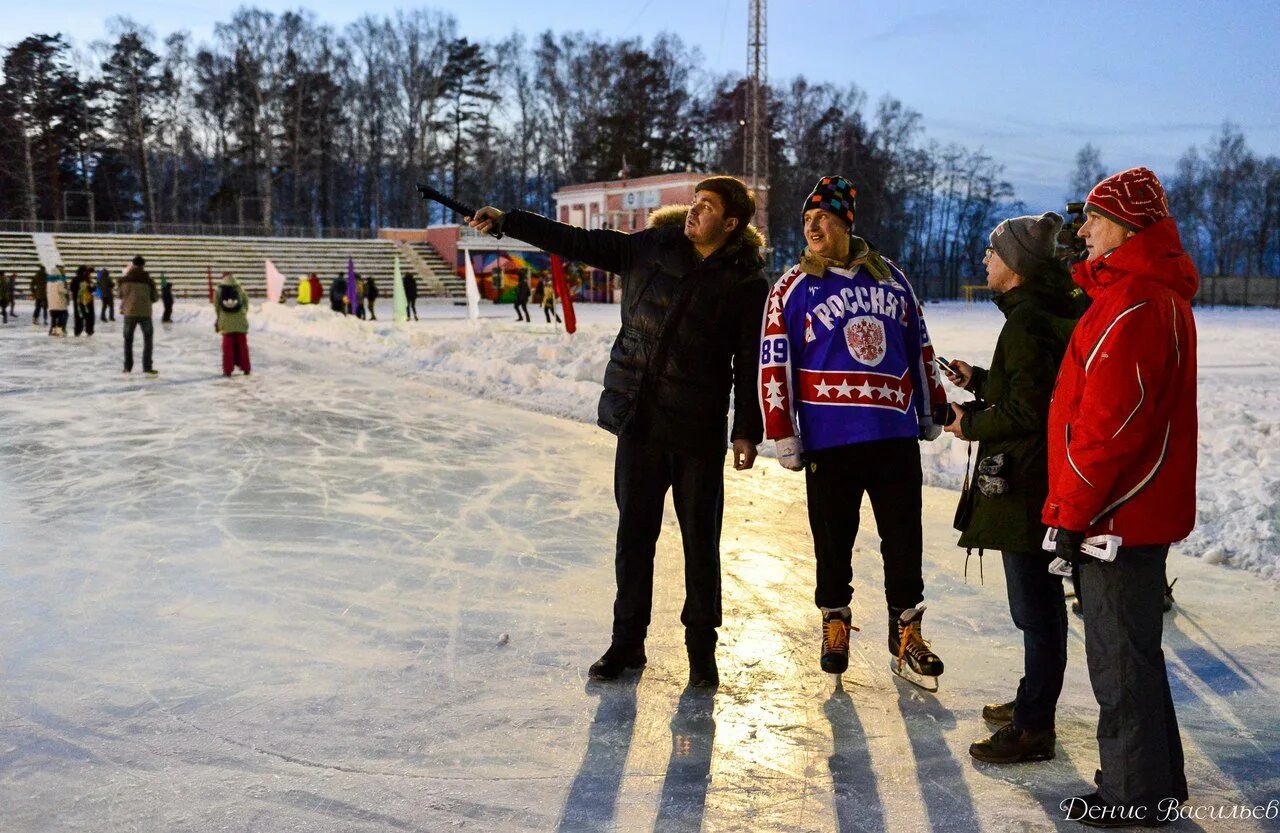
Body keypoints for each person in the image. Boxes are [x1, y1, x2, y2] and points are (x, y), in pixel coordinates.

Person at [467, 176, 768, 688]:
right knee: (634, 539)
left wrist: (746, 430)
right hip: (641, 420)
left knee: (701, 542)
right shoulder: (651, 248)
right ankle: (627, 645)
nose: (694, 212)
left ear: (731, 223)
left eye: (708, 207)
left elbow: (748, 360)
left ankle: (702, 651)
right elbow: (579, 241)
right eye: (694, 203)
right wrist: (511, 222)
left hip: (697, 428)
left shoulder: (745, 281)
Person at [1045, 167, 1195, 825]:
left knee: (1118, 661)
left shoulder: (1136, 302)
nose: (1083, 230)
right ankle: (1153, 784)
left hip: (1116, 515)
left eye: (1095, 219)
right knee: (1135, 651)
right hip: (1127, 510)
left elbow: (1109, 426)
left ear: (1127, 227)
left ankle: (1134, 795)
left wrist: (1070, 516)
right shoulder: (1134, 296)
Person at [759, 175, 948, 688]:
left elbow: (920, 347)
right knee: (833, 539)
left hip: (892, 433)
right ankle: (835, 621)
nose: (812, 227)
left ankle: (906, 633)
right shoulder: (793, 286)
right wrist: (782, 431)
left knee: (904, 537)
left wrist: (932, 408)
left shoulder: (892, 280)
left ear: (845, 221)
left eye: (822, 217)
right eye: (806, 220)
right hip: (829, 438)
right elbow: (774, 359)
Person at [939, 213, 1077, 763]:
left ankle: (1033, 726)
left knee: (1036, 609)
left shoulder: (1026, 323)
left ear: (1017, 266)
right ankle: (1031, 704)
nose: (985, 262)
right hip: (1045, 477)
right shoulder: (1044, 315)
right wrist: (980, 382)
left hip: (1027, 484)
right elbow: (1035, 390)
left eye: (993, 255)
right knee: (1041, 607)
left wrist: (966, 422)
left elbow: (1027, 410)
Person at [119, 255, 159, 375]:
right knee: (148, 340)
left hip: (129, 312)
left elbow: (120, 294)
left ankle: (127, 367)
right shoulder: (148, 279)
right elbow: (155, 297)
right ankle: (147, 367)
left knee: (128, 340)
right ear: (143, 265)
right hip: (145, 313)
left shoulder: (125, 279)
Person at [215, 272, 251, 376]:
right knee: (243, 346)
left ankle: (228, 370)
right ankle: (246, 368)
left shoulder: (219, 290)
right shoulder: (240, 288)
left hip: (226, 323)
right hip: (240, 322)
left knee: (227, 348)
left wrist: (219, 319)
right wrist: (242, 314)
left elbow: (217, 307)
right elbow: (246, 303)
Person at [71, 265, 96, 337]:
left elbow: (72, 289)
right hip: (87, 301)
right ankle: (89, 330)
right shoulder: (87, 279)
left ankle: (78, 330)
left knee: (78, 316)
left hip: (78, 300)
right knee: (89, 316)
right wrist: (94, 287)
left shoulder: (75, 279)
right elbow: (91, 289)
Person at [46, 266, 69, 337]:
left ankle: (53, 331)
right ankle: (59, 331)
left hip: (51, 303)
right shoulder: (59, 282)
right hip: (59, 303)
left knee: (53, 318)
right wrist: (67, 291)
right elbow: (62, 290)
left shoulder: (48, 283)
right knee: (60, 317)